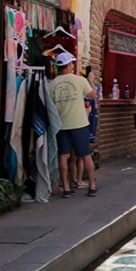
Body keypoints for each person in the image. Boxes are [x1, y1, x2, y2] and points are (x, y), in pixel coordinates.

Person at [50, 51, 98, 197]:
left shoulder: (51, 84)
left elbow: (51, 105)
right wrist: (91, 81)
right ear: (69, 65)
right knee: (85, 155)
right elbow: (93, 96)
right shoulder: (79, 80)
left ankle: (66, 188)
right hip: (79, 124)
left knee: (63, 156)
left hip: (61, 125)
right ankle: (92, 185)